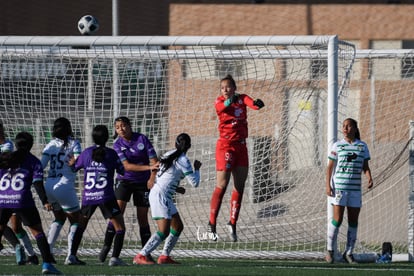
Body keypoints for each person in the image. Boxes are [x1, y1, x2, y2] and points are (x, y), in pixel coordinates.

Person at [207, 74, 264, 242]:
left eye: (228, 87)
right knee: (222, 185)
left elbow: (251, 104)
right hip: (225, 146)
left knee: (239, 185)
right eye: (223, 87)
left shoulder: (242, 98)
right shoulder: (219, 101)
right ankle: (211, 224)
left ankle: (232, 223)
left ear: (234, 88)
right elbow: (222, 107)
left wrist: (257, 104)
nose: (225, 90)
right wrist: (230, 99)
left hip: (241, 146)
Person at [133, 133, 201, 265]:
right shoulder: (184, 160)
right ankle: (141, 255)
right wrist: (197, 169)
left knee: (177, 226)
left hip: (162, 193)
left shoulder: (168, 154)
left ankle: (164, 256)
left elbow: (163, 174)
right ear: (189, 147)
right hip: (160, 195)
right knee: (163, 231)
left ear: (175, 144)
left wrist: (175, 188)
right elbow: (195, 183)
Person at [0, 131, 62, 274]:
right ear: (31, 145)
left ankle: (26, 253)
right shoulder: (33, 161)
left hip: (3, 200)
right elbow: (37, 183)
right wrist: (45, 201)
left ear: (15, 144)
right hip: (23, 201)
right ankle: (47, 265)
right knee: (37, 232)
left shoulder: (5, 158)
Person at [99, 116, 159, 263]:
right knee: (117, 215)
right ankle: (106, 247)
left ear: (130, 126)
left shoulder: (142, 139)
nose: (121, 129)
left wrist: (151, 178)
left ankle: (146, 252)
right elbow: (126, 166)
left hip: (142, 183)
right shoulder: (117, 144)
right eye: (118, 127)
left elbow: (154, 161)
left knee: (143, 218)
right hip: (124, 181)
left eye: (123, 125)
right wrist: (149, 168)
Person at [71, 125, 127, 266]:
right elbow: (122, 171)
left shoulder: (86, 153)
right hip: (106, 196)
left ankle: (71, 255)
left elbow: (74, 168)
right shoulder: (111, 154)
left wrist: (73, 162)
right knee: (120, 228)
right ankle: (114, 258)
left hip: (88, 197)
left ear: (93, 137)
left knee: (81, 226)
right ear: (107, 137)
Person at [325, 118, 373, 264]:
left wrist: (369, 177)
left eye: (348, 126)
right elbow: (330, 167)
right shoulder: (337, 145)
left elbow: (365, 166)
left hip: (355, 190)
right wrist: (328, 185)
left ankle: (349, 252)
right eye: (343, 126)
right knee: (337, 220)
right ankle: (330, 251)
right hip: (339, 188)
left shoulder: (362, 146)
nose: (345, 128)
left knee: (353, 221)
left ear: (355, 128)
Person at [41, 117, 85, 265]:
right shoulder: (74, 143)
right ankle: (70, 256)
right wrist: (75, 164)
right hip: (65, 186)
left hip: (50, 186)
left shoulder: (50, 145)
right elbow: (78, 163)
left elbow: (40, 167)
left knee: (59, 218)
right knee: (77, 220)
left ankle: (47, 252)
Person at [0, 122, 38, 265]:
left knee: (17, 226)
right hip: (5, 191)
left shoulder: (7, 146)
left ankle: (29, 251)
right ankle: (25, 251)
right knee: (11, 225)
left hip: (10, 191)